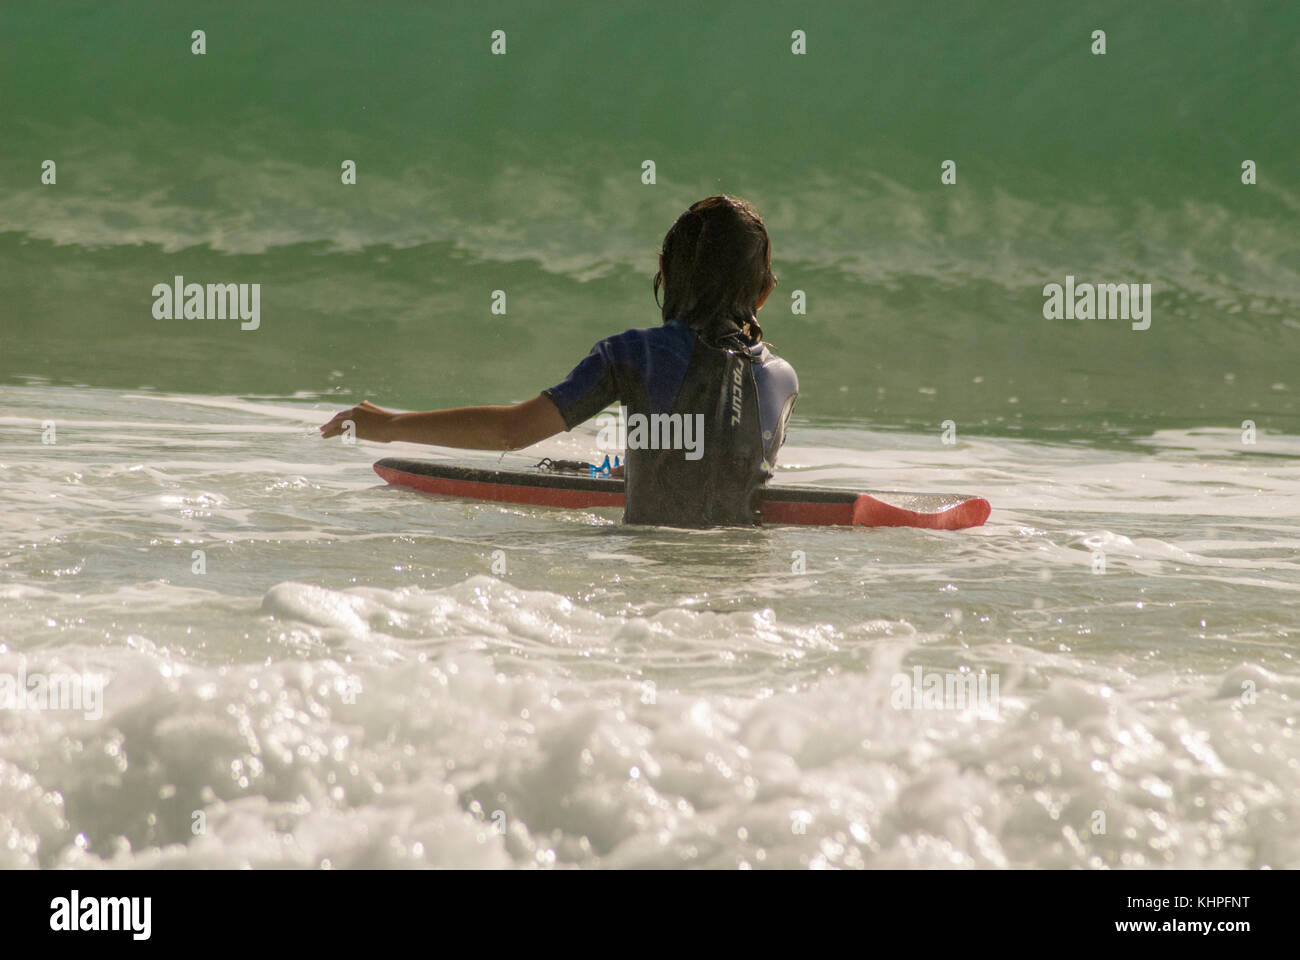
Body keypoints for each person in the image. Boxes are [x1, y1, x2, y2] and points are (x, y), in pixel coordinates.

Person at [320, 195, 798, 526]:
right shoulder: (783, 379)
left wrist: (390, 424)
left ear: (667, 281)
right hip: (743, 578)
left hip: (651, 572)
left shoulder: (632, 354)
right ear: (765, 291)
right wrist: (636, 466)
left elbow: (512, 430)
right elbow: (725, 466)